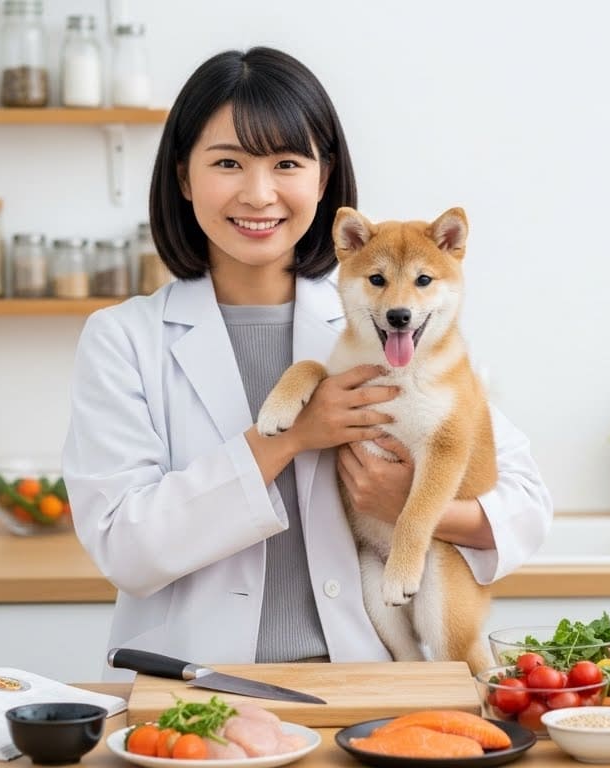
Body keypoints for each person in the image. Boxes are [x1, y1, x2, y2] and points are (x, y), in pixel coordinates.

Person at [63, 46, 552, 681]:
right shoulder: (124, 339)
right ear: (184, 177)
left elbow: (527, 504)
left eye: (287, 163)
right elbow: (126, 549)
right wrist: (293, 437)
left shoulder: (387, 325)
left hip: (359, 678)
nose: (259, 193)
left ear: (322, 181)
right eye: (228, 163)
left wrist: (411, 506)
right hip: (187, 684)